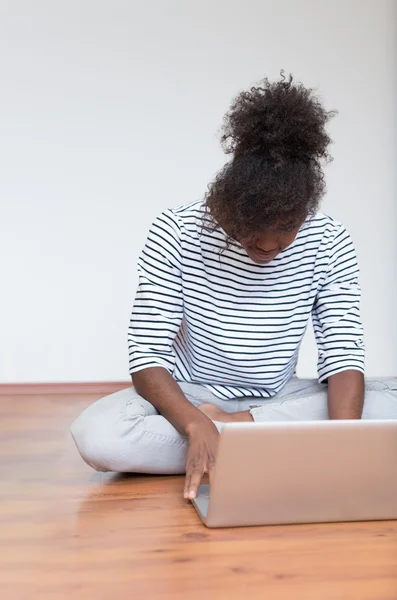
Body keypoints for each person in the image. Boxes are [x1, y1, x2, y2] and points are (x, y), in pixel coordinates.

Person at [71, 74, 397, 501]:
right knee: (100, 436)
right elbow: (148, 354)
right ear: (229, 204)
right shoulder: (177, 229)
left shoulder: (329, 238)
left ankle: (240, 433)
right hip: (188, 395)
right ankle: (256, 442)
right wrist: (192, 422)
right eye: (251, 230)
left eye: (287, 230)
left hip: (280, 397)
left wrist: (342, 450)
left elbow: (343, 353)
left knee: (375, 405)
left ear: (307, 207)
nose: (267, 244)